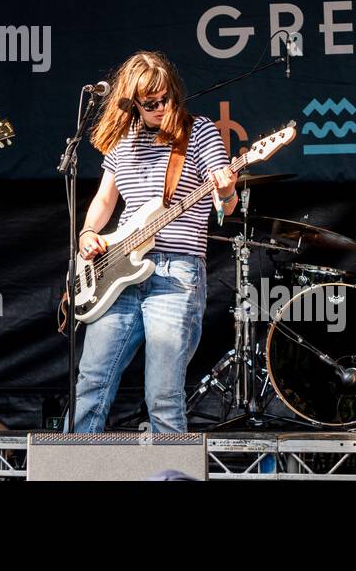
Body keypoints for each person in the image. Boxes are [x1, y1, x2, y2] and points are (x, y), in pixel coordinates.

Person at [72, 51, 237, 433]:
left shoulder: (199, 132)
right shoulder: (122, 139)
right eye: (151, 103)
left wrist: (227, 191)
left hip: (174, 272)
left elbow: (224, 204)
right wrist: (88, 234)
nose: (161, 107)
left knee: (162, 395)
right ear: (133, 103)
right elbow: (104, 199)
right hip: (116, 271)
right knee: (91, 383)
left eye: (166, 98)